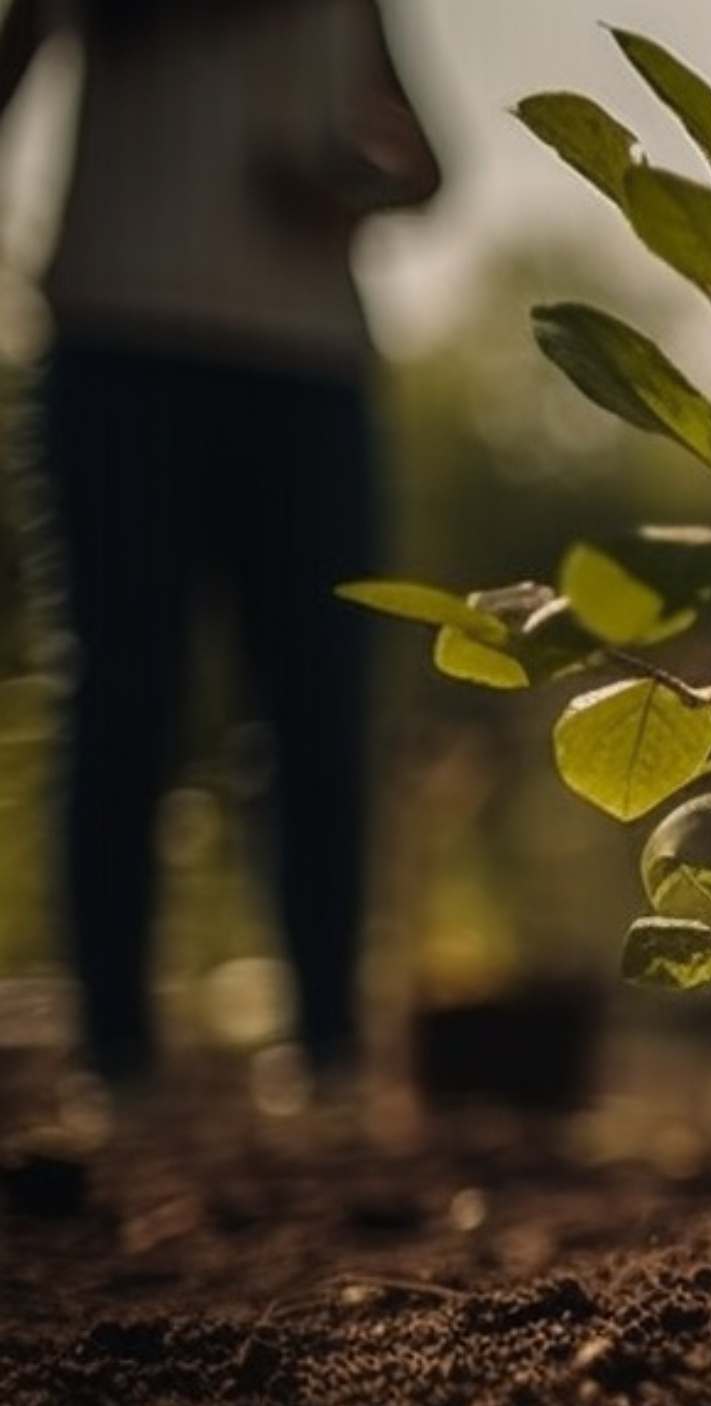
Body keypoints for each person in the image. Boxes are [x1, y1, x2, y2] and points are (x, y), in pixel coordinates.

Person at [0, 0, 440, 1112]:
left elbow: (423, 166)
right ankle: (115, 1052)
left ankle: (329, 1050)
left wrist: (345, 186)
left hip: (306, 365)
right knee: (122, 697)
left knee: (318, 707)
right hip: (118, 339)